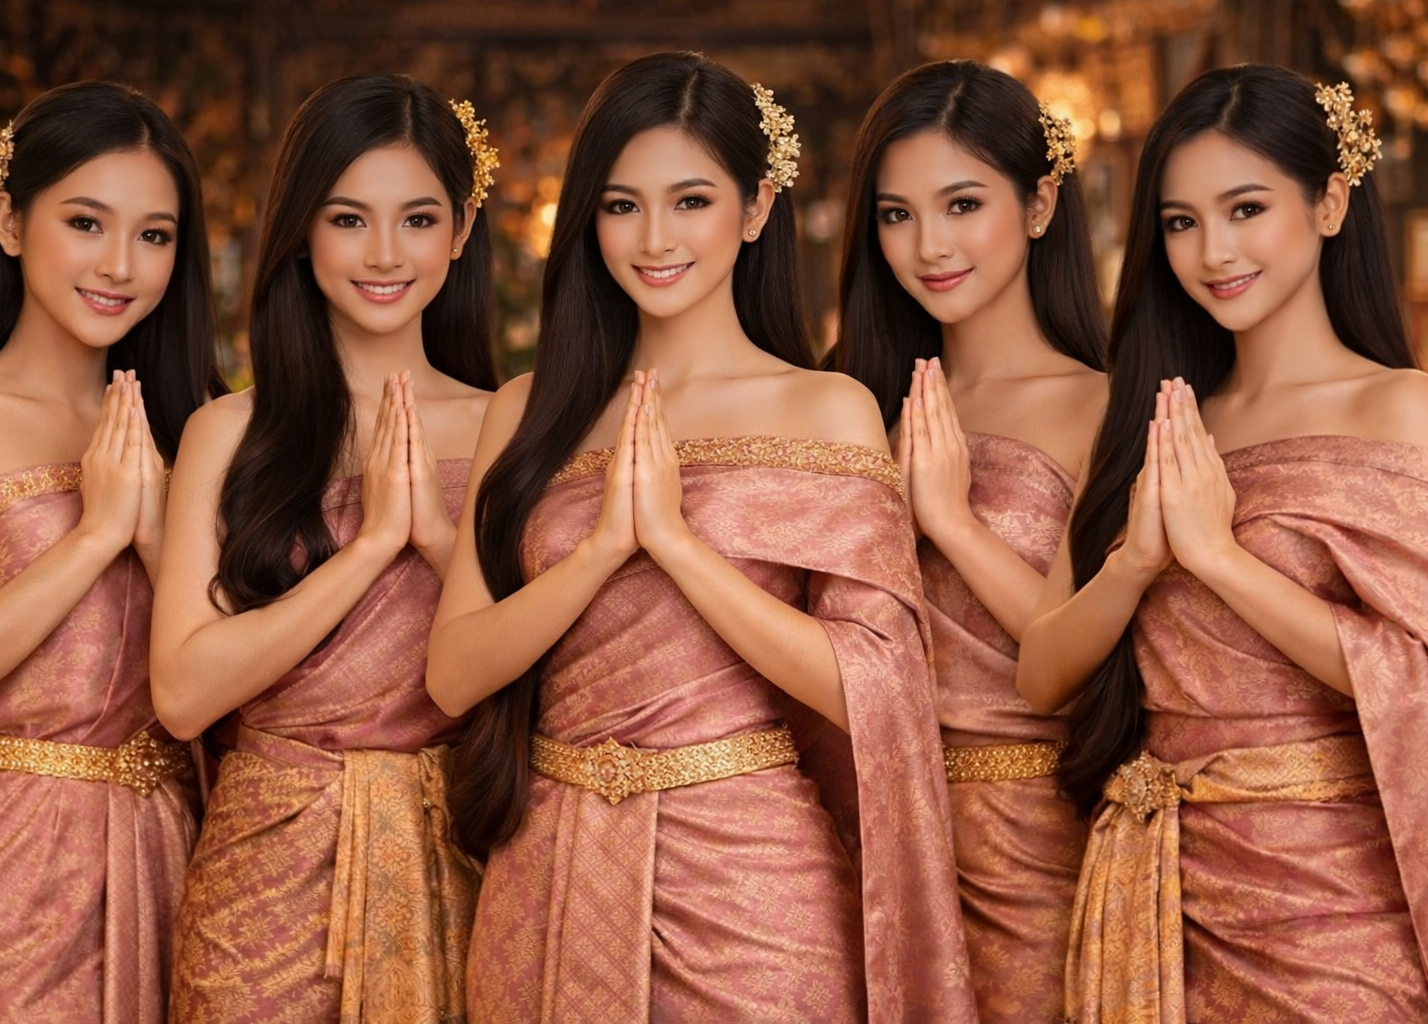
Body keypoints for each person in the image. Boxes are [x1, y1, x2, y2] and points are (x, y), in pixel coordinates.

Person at [428, 51, 975, 1024]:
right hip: (548, 863)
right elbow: (456, 672)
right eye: (622, 203)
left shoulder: (826, 409)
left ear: (756, 207)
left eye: (690, 200)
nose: (654, 237)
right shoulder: (528, 411)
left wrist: (677, 547)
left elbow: (883, 681)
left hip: (752, 882)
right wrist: (601, 548)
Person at [1017, 64, 1428, 1022]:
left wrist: (1219, 558)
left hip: (1332, 896)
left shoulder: (1401, 409)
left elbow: (1410, 667)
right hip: (1152, 886)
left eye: (1246, 209)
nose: (1213, 251)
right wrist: (1138, 564)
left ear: (1329, 204)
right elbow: (1042, 673)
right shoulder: (1154, 417)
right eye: (1182, 221)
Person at [151, 74, 497, 1024]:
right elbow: (182, 692)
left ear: (461, 230)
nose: (384, 254)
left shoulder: (514, 425)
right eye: (349, 219)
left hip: (469, 852)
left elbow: (543, 671)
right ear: (302, 229)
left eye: (417, 219)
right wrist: (371, 545)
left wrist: (430, 536)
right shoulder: (232, 433)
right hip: (262, 875)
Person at [0, 80, 224, 1023]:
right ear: (7, 219)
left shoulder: (199, 426)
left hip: (186, 863)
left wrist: (156, 530)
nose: (121, 263)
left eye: (154, 236)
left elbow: (239, 685)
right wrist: (91, 540)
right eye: (87, 222)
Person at [831, 59, 1107, 1024]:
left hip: (1043, 838)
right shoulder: (851, 402)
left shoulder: (1106, 406)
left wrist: (947, 518)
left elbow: (1096, 652)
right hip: (866, 824)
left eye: (961, 204)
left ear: (1038, 206)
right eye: (897, 214)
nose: (928, 245)